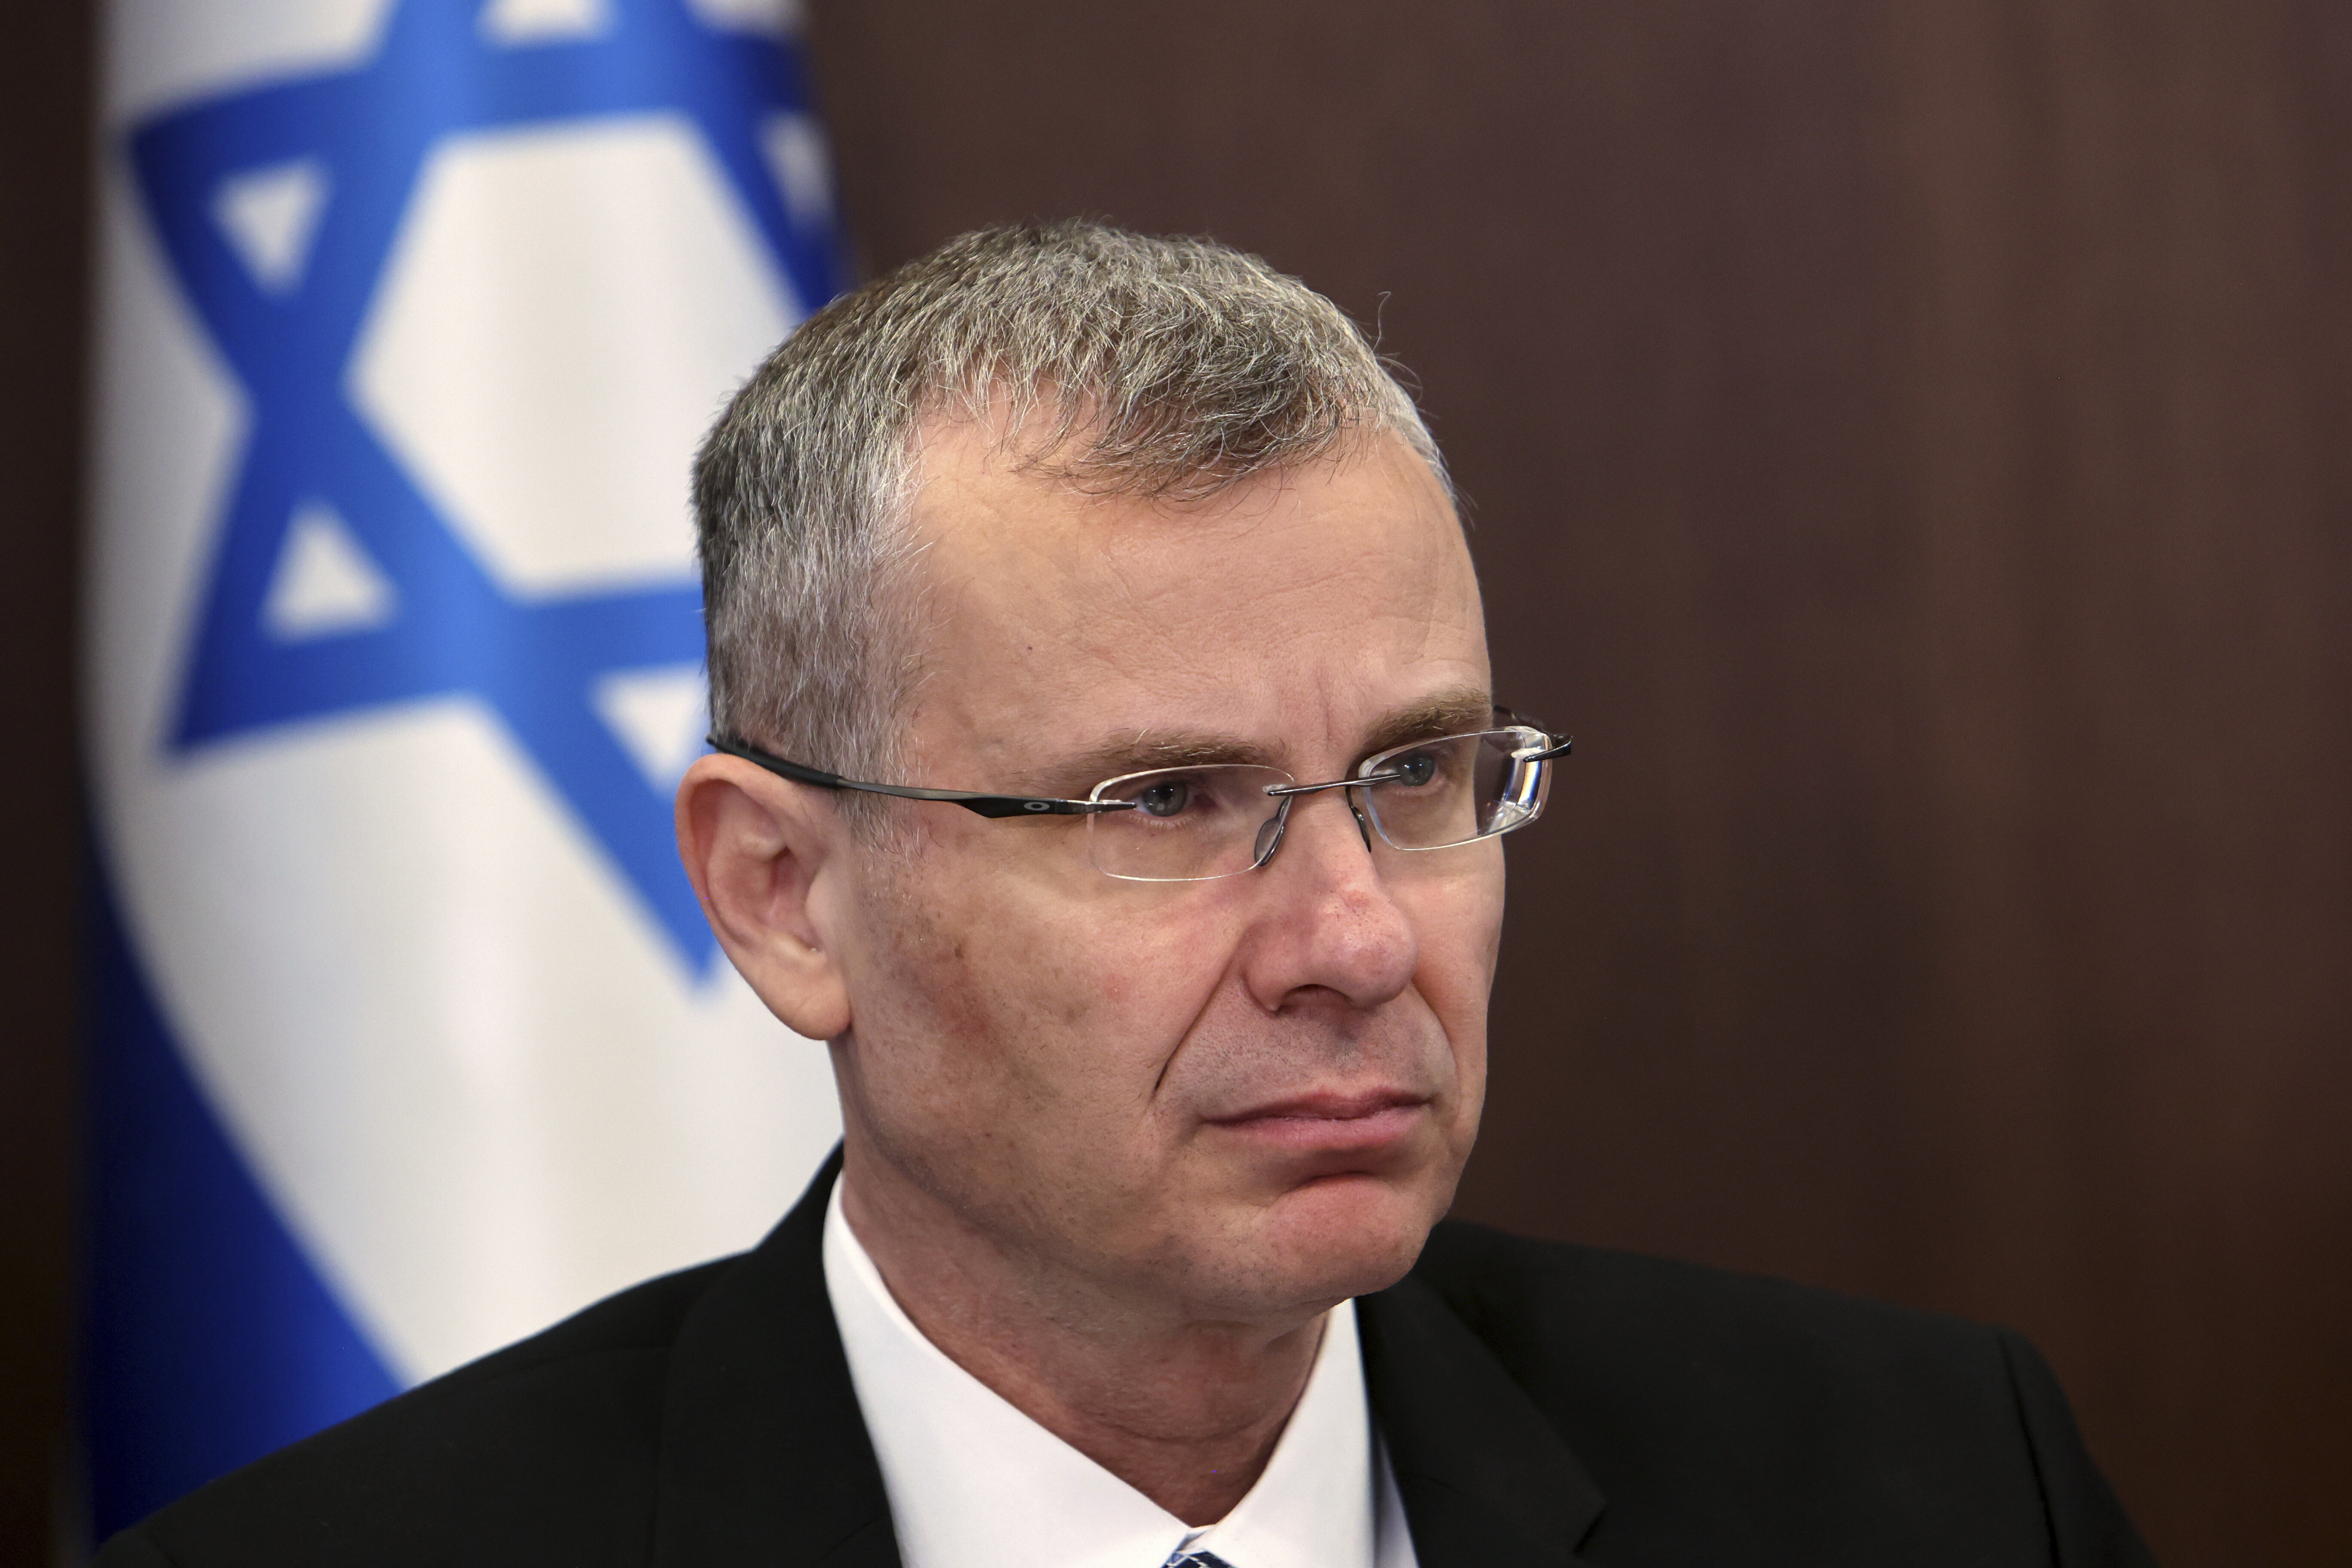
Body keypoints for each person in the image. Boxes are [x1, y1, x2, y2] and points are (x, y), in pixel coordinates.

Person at [98, 221, 2156, 1568]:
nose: (1358, 939)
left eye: (1419, 776)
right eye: (1166, 802)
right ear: (785, 894)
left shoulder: (1938, 1489)